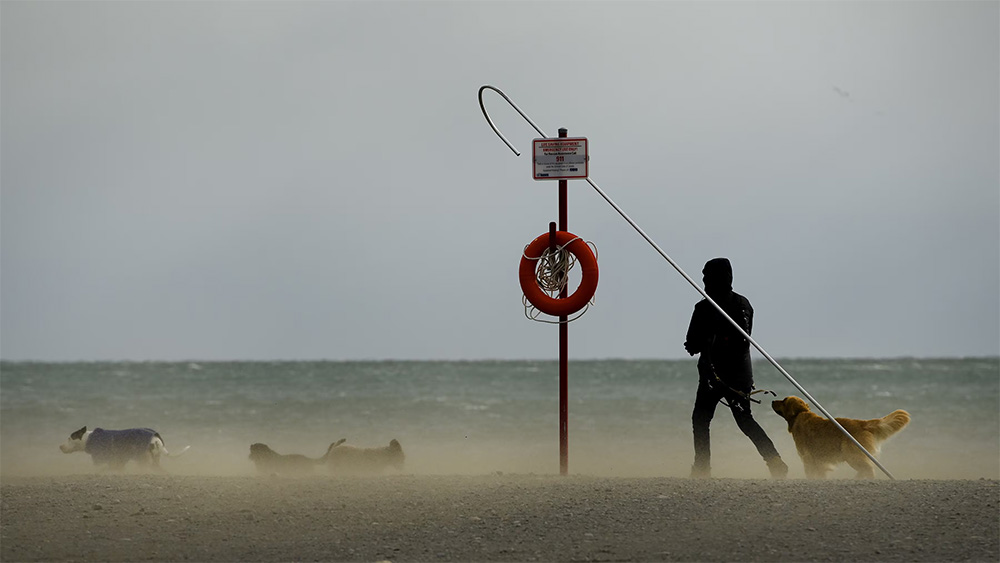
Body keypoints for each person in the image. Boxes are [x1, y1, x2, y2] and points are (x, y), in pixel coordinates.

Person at [683, 258, 788, 479]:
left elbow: (693, 345)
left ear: (714, 277)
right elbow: (742, 342)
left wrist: (707, 341)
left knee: (701, 420)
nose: (702, 280)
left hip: (716, 377)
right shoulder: (744, 304)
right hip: (739, 375)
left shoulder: (704, 308)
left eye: (706, 276)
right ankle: (775, 461)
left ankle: (702, 468)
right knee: (745, 421)